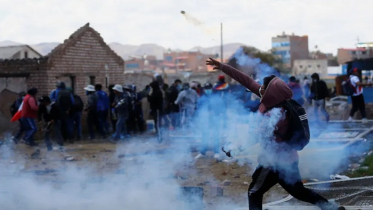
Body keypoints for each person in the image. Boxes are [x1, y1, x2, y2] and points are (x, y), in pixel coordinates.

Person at [206, 58, 341, 210]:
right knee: (299, 191)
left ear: (271, 91)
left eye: (263, 87)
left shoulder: (277, 114)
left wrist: (234, 149)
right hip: (289, 160)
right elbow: (247, 81)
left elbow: (256, 136)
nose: (260, 88)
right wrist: (223, 67)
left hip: (272, 163)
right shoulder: (273, 99)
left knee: (254, 192)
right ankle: (332, 208)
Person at [195, 83, 220, 159]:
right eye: (206, 88)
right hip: (205, 120)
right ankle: (203, 152)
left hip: (214, 119)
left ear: (211, 89)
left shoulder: (216, 98)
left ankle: (216, 152)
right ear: (204, 89)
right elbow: (198, 109)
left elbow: (220, 108)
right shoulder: (201, 99)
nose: (208, 90)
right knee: (204, 136)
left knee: (215, 135)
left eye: (209, 88)